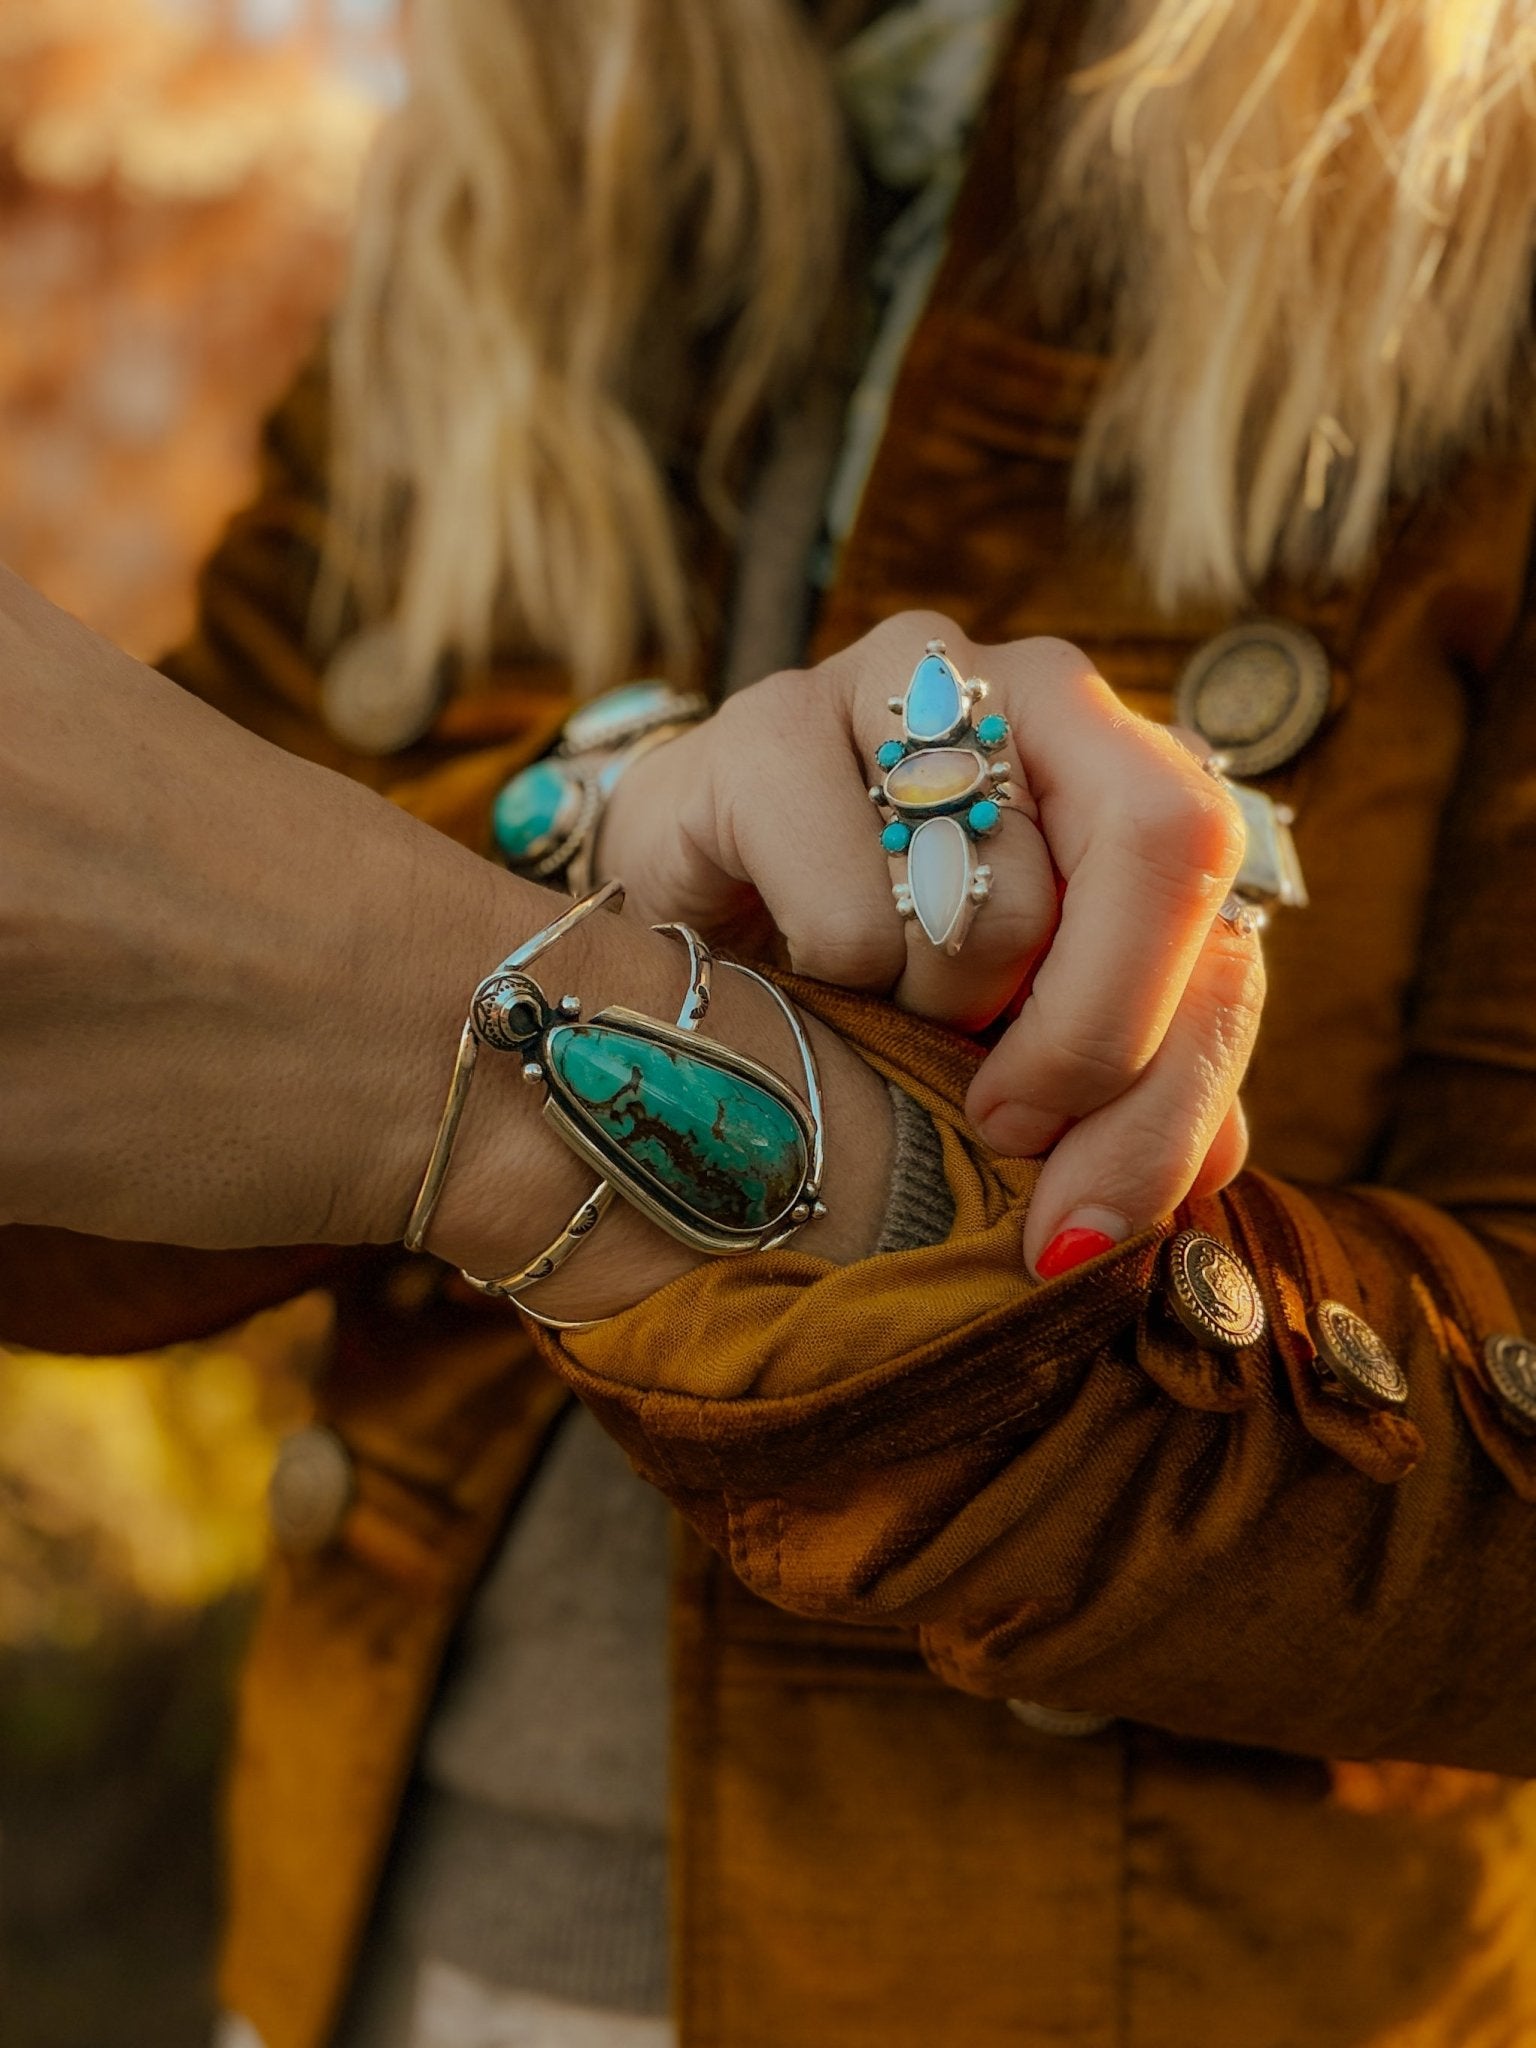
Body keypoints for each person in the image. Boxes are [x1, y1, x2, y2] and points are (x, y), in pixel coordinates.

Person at [3, 1, 1536, 2044]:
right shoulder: (501, 189)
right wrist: (567, 854)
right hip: (355, 1947)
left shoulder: (1485, 201)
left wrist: (485, 1045)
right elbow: (93, 1191)